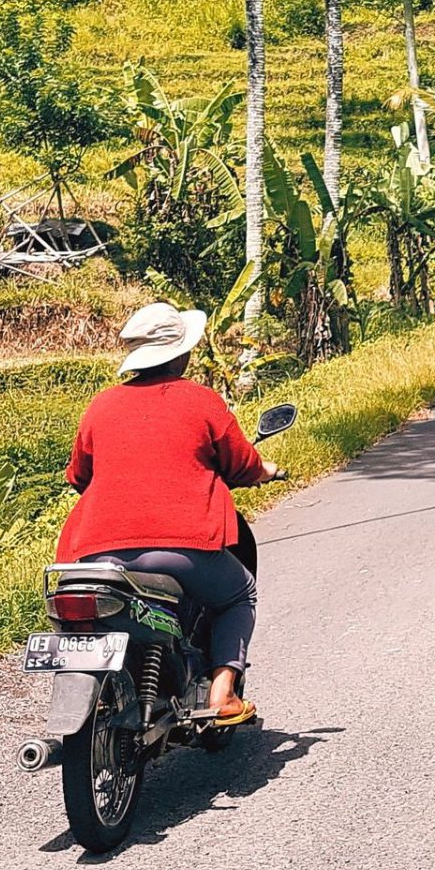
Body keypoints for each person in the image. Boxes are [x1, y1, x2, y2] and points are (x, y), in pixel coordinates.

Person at [56, 301, 272, 725]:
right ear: (180, 354)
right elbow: (242, 464)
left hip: (96, 555)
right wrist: (267, 471)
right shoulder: (201, 401)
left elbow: (79, 476)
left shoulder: (101, 405)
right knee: (239, 593)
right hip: (183, 548)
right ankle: (224, 692)